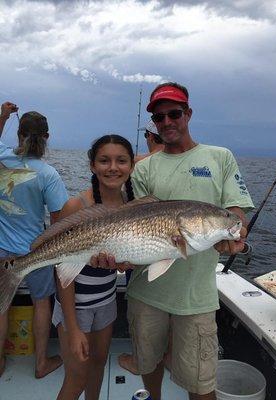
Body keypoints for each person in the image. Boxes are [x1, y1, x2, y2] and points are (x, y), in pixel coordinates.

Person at [124, 82, 255, 400]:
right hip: (147, 292)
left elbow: (236, 213)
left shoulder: (220, 157)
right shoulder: (143, 169)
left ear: (189, 113)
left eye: (175, 113)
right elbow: (135, 223)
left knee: (201, 383)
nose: (167, 122)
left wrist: (233, 231)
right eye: (159, 117)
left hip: (196, 298)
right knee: (148, 364)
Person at [53, 134, 135, 400]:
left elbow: (124, 259)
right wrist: (73, 327)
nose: (113, 167)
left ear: (131, 166)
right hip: (75, 307)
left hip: (107, 301)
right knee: (76, 377)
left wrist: (124, 263)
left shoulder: (131, 207)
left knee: (98, 365)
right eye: (104, 160)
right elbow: (62, 270)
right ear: (92, 165)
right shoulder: (77, 206)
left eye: (121, 160)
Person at [0, 102, 68, 378]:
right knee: (42, 303)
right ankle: (41, 363)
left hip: (2, 249)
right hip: (35, 251)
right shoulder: (48, 174)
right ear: (47, 138)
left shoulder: (3, 159)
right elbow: (58, 221)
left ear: (18, 135)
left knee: (1, 306)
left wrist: (3, 115)